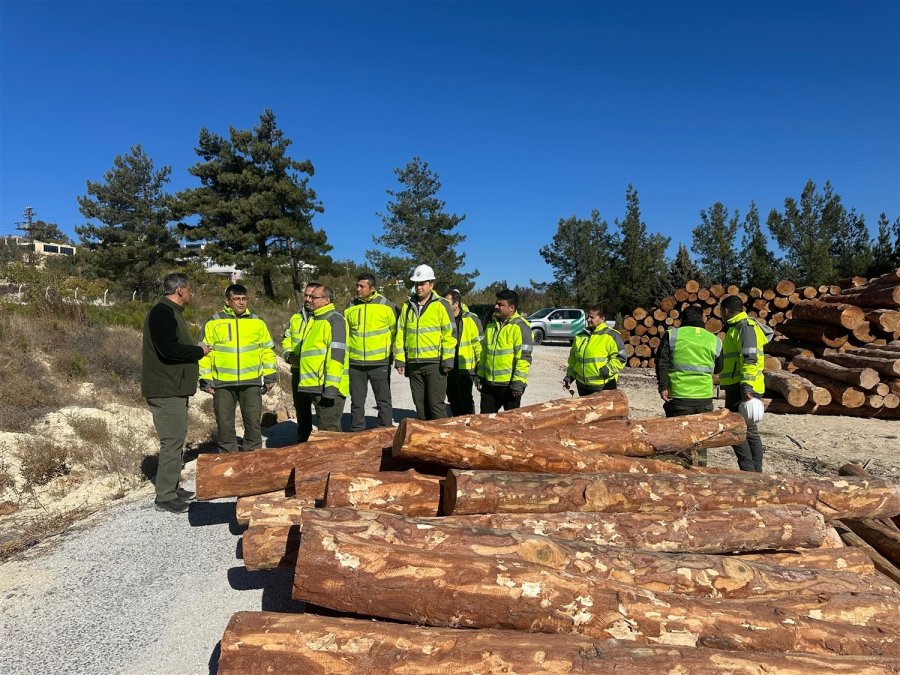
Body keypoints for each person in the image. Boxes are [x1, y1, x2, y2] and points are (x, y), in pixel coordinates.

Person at [141, 273, 210, 514]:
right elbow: (169, 349)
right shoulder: (163, 312)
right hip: (165, 388)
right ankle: (165, 497)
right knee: (171, 441)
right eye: (189, 289)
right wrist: (198, 351)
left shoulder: (171, 312)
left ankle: (172, 487)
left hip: (173, 388)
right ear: (180, 290)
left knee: (176, 439)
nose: (191, 293)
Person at [198, 284, 277, 453]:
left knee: (253, 423)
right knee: (225, 424)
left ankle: (252, 459)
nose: (241, 303)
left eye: (244, 299)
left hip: (251, 382)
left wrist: (270, 376)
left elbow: (267, 351)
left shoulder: (257, 322)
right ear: (227, 301)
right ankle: (229, 462)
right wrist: (206, 379)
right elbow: (205, 353)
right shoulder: (213, 322)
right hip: (223, 383)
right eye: (237, 299)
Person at [655, 304, 724, 466]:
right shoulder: (714, 340)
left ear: (682, 319)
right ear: (702, 319)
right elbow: (719, 367)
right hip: (704, 398)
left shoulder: (672, 335)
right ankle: (700, 474)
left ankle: (681, 476)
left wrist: (663, 386)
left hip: (679, 396)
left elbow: (661, 362)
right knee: (700, 441)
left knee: (679, 441)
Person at [394, 265, 457, 420]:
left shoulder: (442, 305)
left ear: (431, 285)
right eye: (417, 284)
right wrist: (400, 359)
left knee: (436, 405)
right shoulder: (408, 306)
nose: (419, 287)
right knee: (420, 406)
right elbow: (400, 333)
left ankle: (441, 441)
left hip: (434, 364)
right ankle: (424, 441)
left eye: (422, 283)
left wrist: (448, 359)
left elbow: (449, 334)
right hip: (414, 364)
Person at [719, 294, 773, 472]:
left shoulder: (745, 327)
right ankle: (755, 472)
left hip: (743, 387)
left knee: (737, 430)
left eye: (721, 311)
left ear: (726, 310)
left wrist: (746, 386)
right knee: (748, 431)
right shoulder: (735, 327)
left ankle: (750, 471)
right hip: (739, 386)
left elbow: (750, 359)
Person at [345, 274, 398, 431]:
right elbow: (346, 334)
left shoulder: (387, 306)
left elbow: (396, 333)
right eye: (357, 286)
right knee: (356, 402)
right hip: (355, 363)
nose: (358, 289)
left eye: (362, 286)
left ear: (372, 288)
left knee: (383, 401)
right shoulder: (350, 307)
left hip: (379, 362)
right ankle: (357, 432)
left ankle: (385, 431)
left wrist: (391, 354)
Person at [295, 285, 349, 441]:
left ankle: (336, 465)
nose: (309, 300)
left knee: (329, 436)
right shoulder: (315, 320)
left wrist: (331, 388)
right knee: (323, 436)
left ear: (326, 300)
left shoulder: (334, 319)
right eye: (310, 297)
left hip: (328, 388)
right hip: (315, 387)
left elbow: (336, 355)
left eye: (314, 297)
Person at [477, 289, 533, 412]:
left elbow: (524, 359)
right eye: (496, 304)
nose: (496, 307)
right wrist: (480, 376)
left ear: (511, 308)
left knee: (510, 425)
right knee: (486, 423)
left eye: (501, 305)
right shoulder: (491, 325)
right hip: (489, 385)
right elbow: (484, 353)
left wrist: (518, 383)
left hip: (510, 387)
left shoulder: (521, 328)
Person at [563, 305, 626, 396]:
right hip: (582, 386)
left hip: (603, 386)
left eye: (592, 317)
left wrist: (604, 371)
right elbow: (573, 359)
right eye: (588, 317)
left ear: (602, 318)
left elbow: (621, 358)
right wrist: (569, 377)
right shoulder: (580, 336)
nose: (588, 320)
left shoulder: (612, 336)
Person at [282, 282, 316, 441]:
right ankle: (303, 443)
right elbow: (287, 339)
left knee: (323, 413)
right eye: (306, 295)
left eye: (312, 296)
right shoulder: (295, 318)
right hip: (298, 371)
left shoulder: (327, 318)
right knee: (302, 411)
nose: (308, 299)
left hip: (318, 373)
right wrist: (288, 355)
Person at [443, 289, 483, 416]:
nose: (444, 306)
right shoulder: (443, 319)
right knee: (452, 398)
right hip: (448, 366)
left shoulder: (471, 319)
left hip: (466, 368)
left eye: (447, 302)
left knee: (465, 399)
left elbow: (479, 345)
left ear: (456, 303)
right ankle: (457, 423)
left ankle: (469, 424)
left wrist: (480, 367)